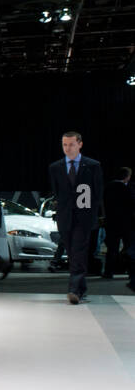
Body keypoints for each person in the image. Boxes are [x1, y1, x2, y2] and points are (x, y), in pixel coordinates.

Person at [48, 130, 104, 304]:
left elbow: (97, 193)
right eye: (64, 144)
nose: (68, 148)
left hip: (84, 217)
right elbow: (57, 193)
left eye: (71, 144)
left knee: (78, 252)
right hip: (65, 218)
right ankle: (82, 288)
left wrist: (93, 215)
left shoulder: (92, 165)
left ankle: (73, 290)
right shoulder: (55, 167)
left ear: (80, 144)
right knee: (73, 254)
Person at [102, 166, 133, 281]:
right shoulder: (127, 189)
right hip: (126, 223)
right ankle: (131, 272)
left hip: (111, 222)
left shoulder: (108, 187)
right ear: (127, 177)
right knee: (129, 248)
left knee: (112, 248)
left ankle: (108, 272)